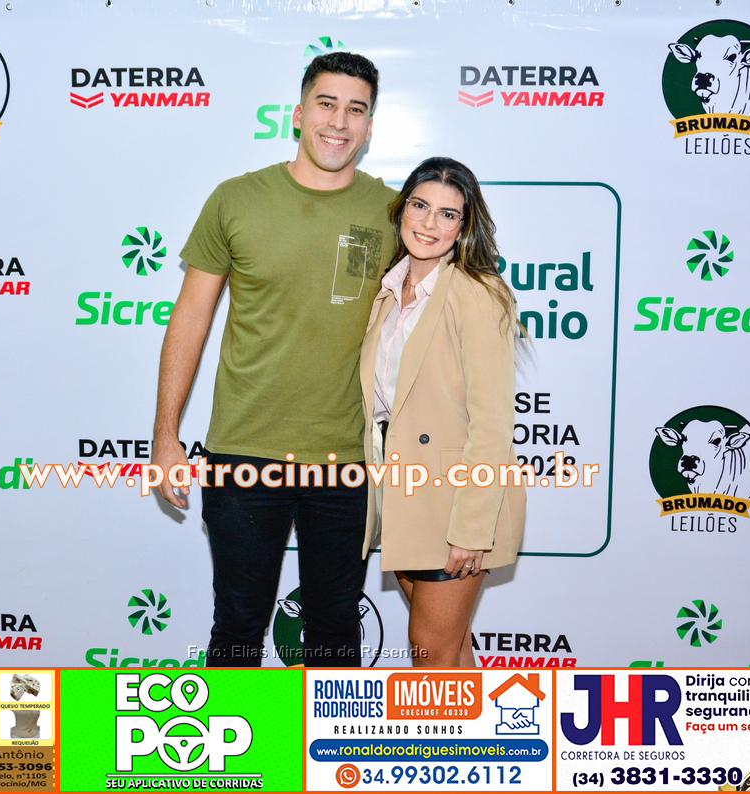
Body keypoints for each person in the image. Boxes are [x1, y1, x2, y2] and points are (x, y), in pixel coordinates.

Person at [152, 52, 398, 667]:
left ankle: (328, 737)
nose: (338, 121)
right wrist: (165, 435)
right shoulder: (236, 199)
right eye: (326, 104)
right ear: (297, 114)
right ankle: (237, 733)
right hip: (244, 451)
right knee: (237, 627)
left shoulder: (396, 214)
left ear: (370, 126)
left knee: (337, 633)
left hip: (347, 458)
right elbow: (190, 317)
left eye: (356, 109)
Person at [360, 157, 526, 667]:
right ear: (401, 210)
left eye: (448, 214)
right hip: (402, 495)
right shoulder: (388, 292)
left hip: (454, 502)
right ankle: (480, 724)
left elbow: (492, 423)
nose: (429, 223)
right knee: (449, 653)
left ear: (464, 227)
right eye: (420, 206)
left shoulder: (476, 292)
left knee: (431, 654)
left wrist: (471, 529)